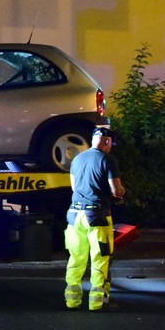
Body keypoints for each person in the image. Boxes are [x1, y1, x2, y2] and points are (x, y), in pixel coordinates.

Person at [64, 126, 126, 311]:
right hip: (97, 216)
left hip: (74, 216)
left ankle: (72, 301)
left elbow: (75, 188)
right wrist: (122, 192)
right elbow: (116, 190)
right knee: (100, 258)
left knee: (76, 258)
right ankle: (97, 302)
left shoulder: (77, 159)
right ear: (107, 142)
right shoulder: (108, 160)